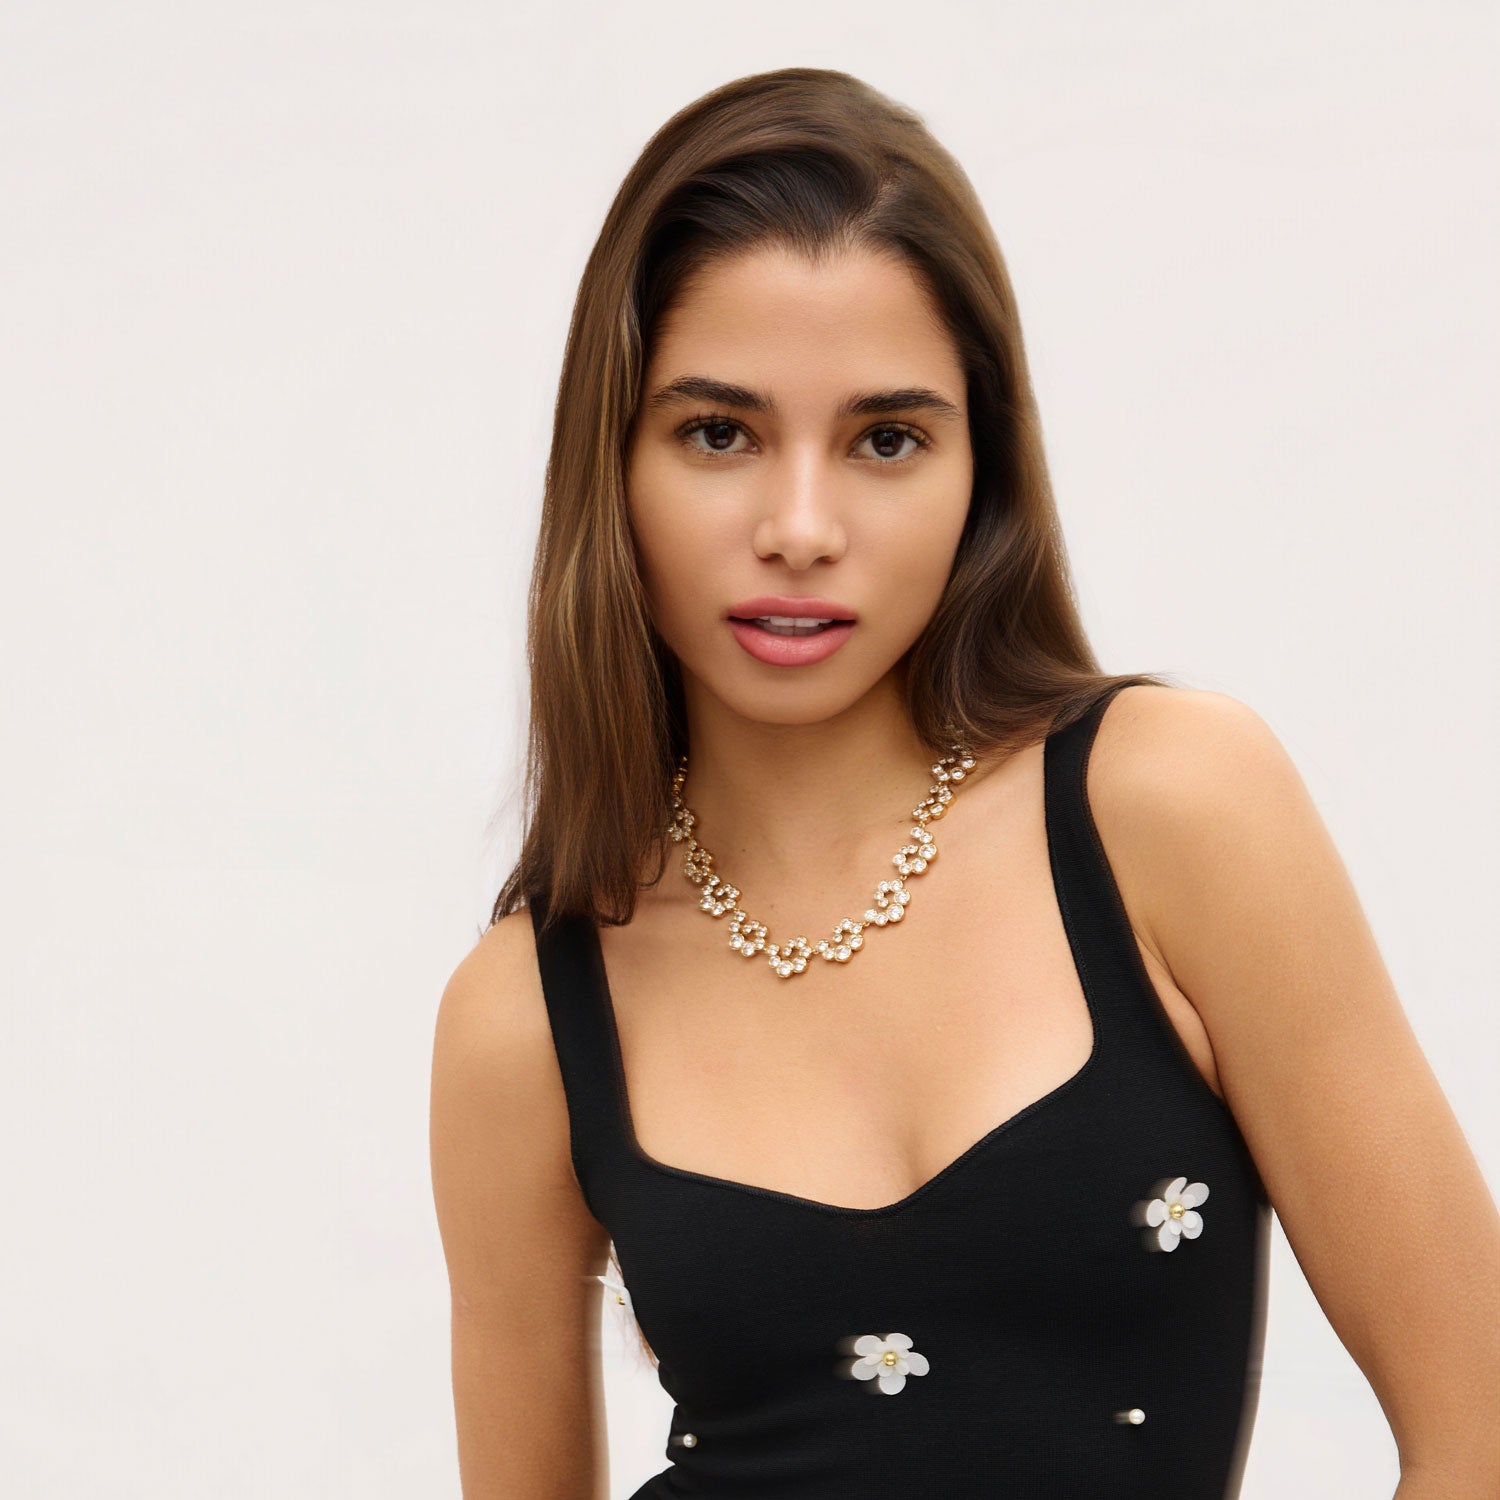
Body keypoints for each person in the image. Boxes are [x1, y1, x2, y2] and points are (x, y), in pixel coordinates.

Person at [428, 67, 1500, 1500]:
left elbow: (1480, 1427)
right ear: (612, 469)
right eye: (718, 433)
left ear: (977, 474)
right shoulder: (526, 1014)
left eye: (885, 439)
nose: (799, 528)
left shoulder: (1169, 811)